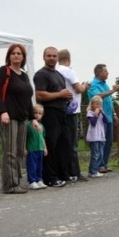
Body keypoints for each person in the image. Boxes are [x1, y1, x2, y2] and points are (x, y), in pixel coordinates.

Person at [0, 43, 39, 194]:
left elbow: (27, 98)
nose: (16, 56)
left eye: (19, 54)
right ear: (9, 56)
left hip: (22, 117)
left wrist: (33, 118)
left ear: (23, 57)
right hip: (8, 117)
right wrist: (2, 111)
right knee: (9, 151)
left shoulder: (24, 75)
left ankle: (16, 181)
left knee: (19, 151)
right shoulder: (4, 71)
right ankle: (10, 185)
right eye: (13, 53)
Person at [33, 47, 72, 188]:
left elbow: (62, 92)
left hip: (62, 113)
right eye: (48, 56)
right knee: (50, 145)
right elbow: (39, 95)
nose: (52, 58)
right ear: (43, 57)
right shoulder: (41, 74)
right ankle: (50, 177)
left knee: (64, 144)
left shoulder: (58, 74)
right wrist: (60, 95)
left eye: (54, 56)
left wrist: (67, 96)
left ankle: (62, 174)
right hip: (49, 113)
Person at [56, 48, 89, 182]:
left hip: (61, 109)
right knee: (73, 143)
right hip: (72, 110)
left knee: (63, 143)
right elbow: (78, 89)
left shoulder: (57, 71)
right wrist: (85, 85)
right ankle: (75, 171)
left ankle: (65, 170)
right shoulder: (69, 71)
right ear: (69, 58)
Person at [87, 63, 119, 173]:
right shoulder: (93, 85)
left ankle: (104, 164)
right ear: (99, 73)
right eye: (105, 71)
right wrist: (113, 91)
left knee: (108, 142)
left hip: (108, 117)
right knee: (100, 142)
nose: (108, 73)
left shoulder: (105, 84)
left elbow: (109, 101)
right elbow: (98, 96)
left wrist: (114, 114)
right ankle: (97, 166)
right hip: (98, 119)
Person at [26, 104, 47, 190]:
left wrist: (45, 148)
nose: (37, 115)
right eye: (35, 113)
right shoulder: (28, 125)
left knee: (39, 165)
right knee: (32, 165)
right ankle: (32, 181)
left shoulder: (41, 126)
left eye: (40, 113)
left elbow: (42, 138)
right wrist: (24, 148)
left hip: (40, 149)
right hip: (31, 149)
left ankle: (39, 179)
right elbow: (24, 138)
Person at [85, 95, 107, 178]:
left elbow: (106, 121)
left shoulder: (101, 114)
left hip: (100, 136)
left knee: (100, 154)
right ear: (92, 104)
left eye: (99, 104)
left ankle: (92, 170)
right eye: (96, 104)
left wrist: (103, 114)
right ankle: (93, 171)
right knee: (95, 154)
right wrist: (96, 115)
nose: (98, 106)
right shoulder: (90, 113)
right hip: (94, 136)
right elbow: (93, 123)